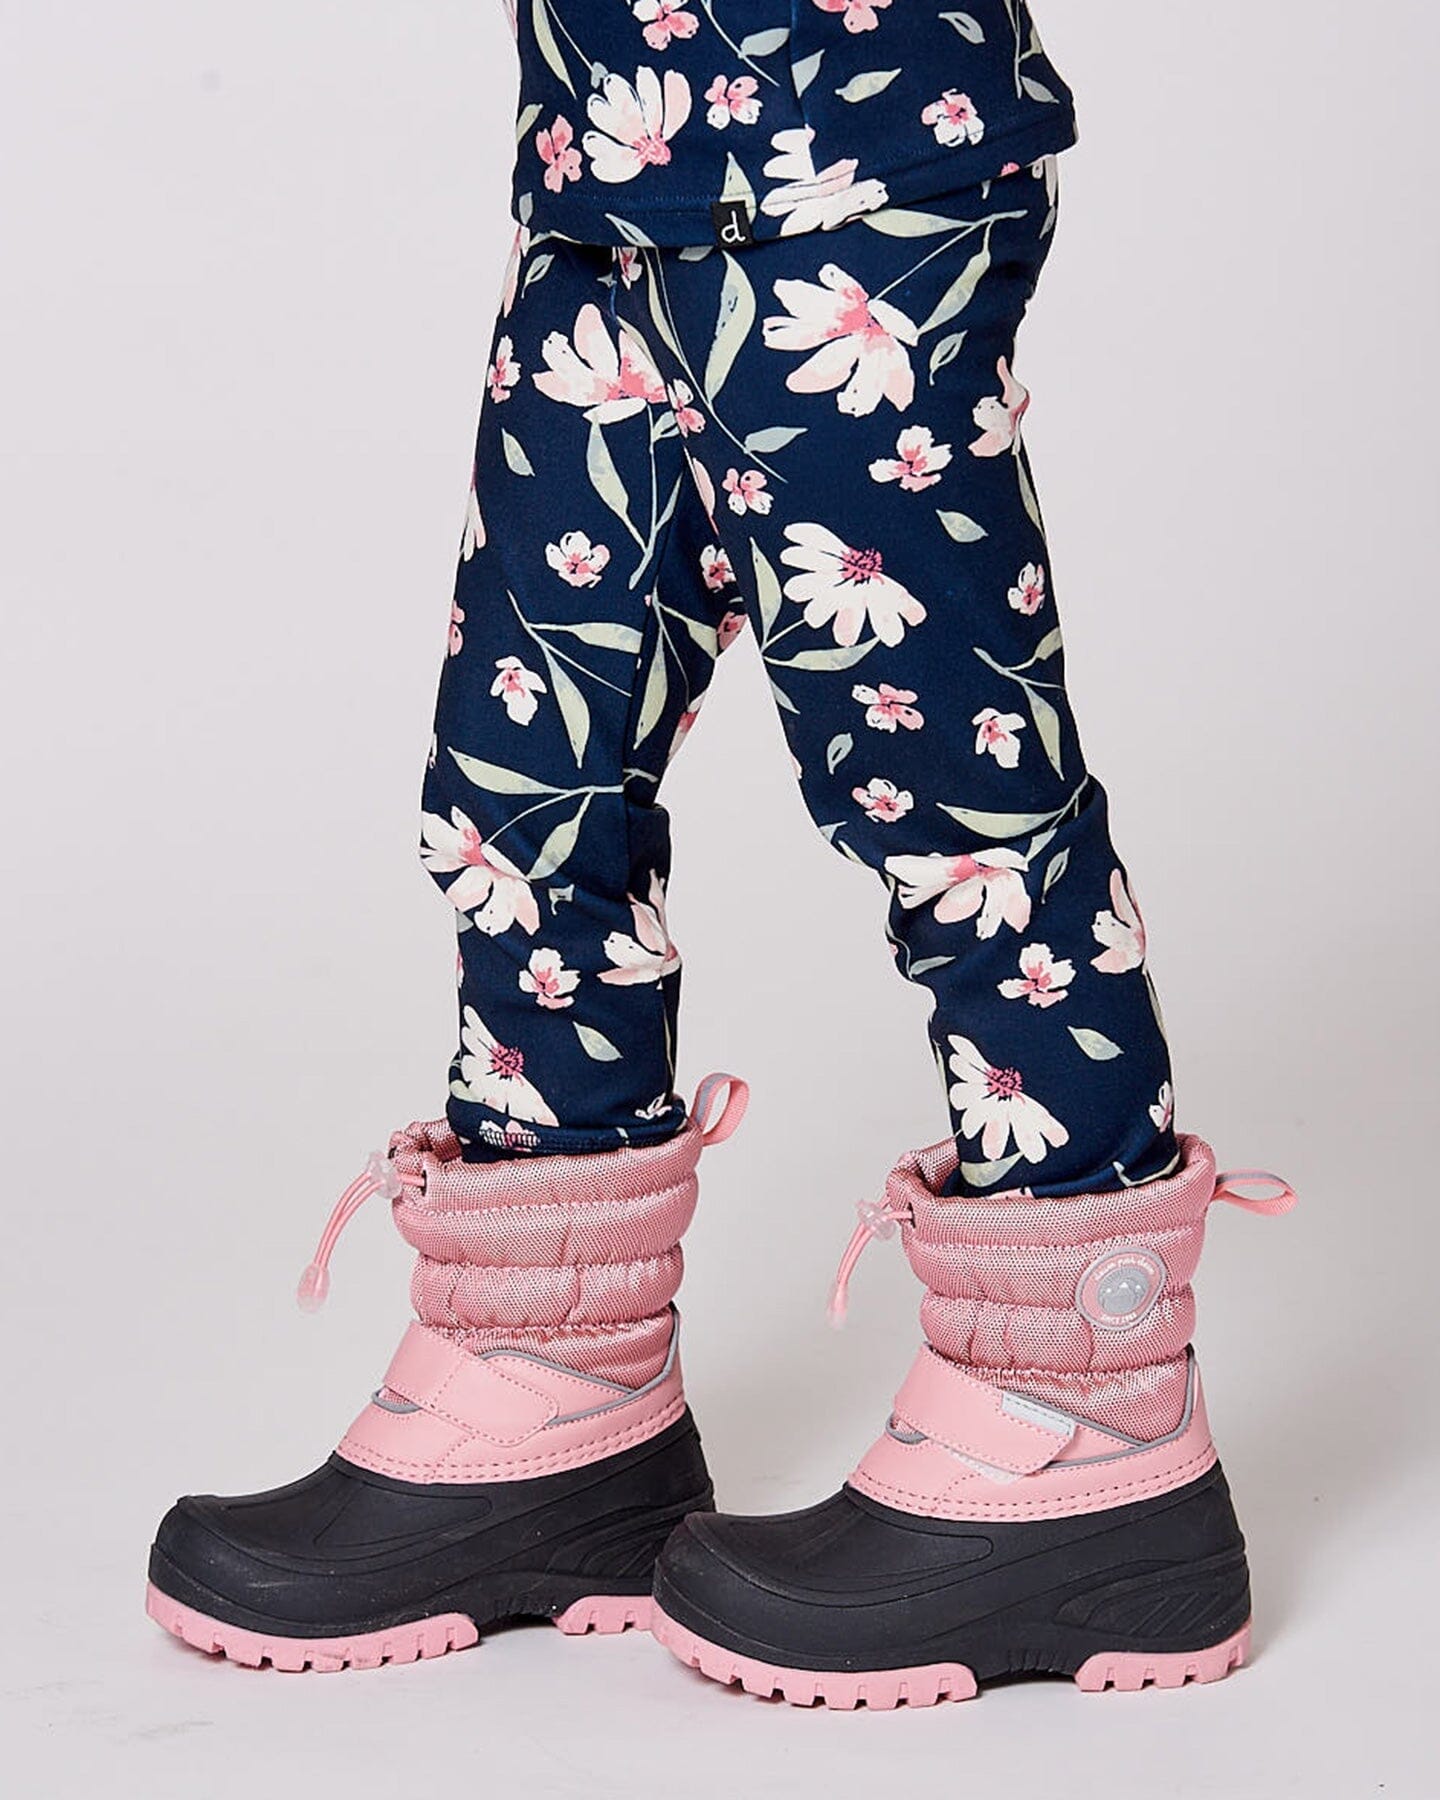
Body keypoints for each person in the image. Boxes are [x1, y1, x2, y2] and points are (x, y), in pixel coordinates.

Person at [146, 0, 1295, 1704]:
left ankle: (1086, 1416)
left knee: (950, 786)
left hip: (861, 177)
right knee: (519, 786)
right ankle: (552, 1386)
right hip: (606, 171)